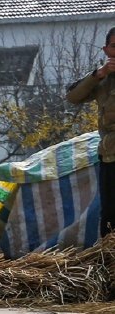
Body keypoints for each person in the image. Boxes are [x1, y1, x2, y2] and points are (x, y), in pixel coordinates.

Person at [66, 26, 115, 237]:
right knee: (111, 214)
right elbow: (73, 97)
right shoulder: (102, 79)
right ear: (106, 50)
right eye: (114, 46)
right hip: (110, 155)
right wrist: (99, 74)